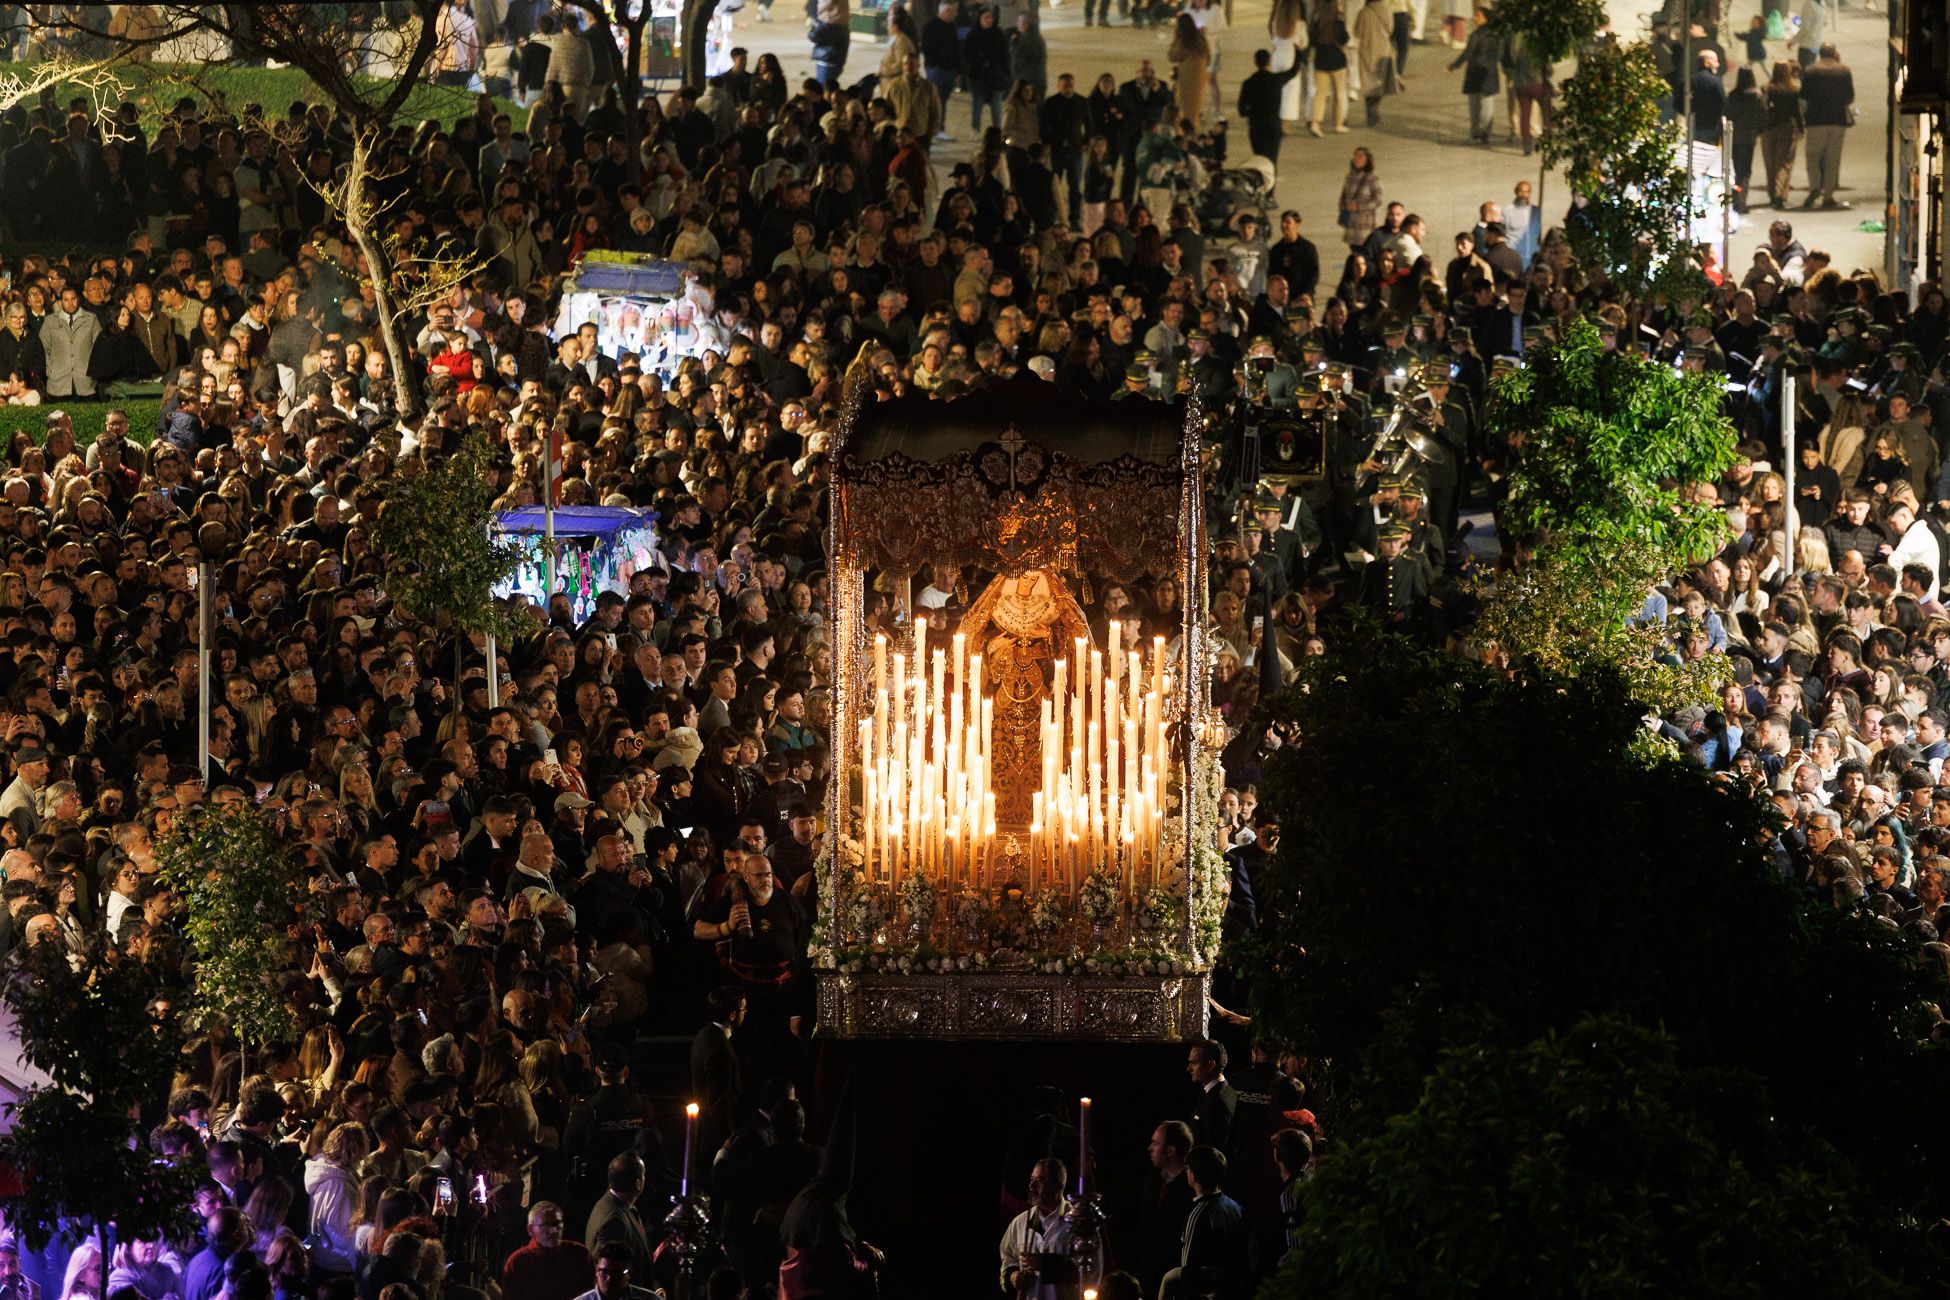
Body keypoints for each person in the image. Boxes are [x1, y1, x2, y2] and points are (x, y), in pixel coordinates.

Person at [1158, 1147, 1246, 1299]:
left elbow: (1188, 1274)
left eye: (1188, 1168)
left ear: (1193, 1175)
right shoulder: (1235, 1207)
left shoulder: (1197, 1215)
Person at [997, 1158, 1091, 1298]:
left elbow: (1091, 1271)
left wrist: (1045, 1264)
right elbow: (1008, 1258)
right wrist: (1013, 1276)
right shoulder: (1020, 1223)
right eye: (1031, 1179)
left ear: (1058, 1186)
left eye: (1040, 1181)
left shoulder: (1078, 1223)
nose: (1031, 1186)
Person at [1798, 43, 1854, 210]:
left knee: (1813, 156)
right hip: (1837, 121)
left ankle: (1815, 186)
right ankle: (1828, 195)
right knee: (1833, 158)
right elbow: (1850, 96)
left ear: (1820, 54)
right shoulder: (1844, 70)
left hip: (1816, 120)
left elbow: (1804, 95)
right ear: (1834, 53)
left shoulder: (1810, 70)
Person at [503, 1202, 596, 1300]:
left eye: (557, 1224)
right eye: (546, 1225)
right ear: (530, 1229)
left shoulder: (579, 1254)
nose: (554, 1230)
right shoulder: (518, 1262)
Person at [1238, 49, 1303, 175]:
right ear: (1269, 61)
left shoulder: (1248, 83)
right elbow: (1293, 71)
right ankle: (1271, 190)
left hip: (1256, 126)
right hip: (1273, 125)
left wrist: (1252, 112)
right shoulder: (1276, 80)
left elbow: (1241, 110)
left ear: (1255, 62)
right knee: (1272, 160)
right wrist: (1298, 54)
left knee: (1259, 160)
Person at [1450, 6, 1501, 144]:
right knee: (1488, 105)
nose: (1474, 18)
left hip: (1474, 72)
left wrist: (1455, 65)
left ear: (1486, 18)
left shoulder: (1476, 35)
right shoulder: (1496, 35)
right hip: (1490, 72)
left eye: (1477, 15)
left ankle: (1476, 132)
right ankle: (1485, 133)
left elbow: (1467, 53)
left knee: (1475, 106)